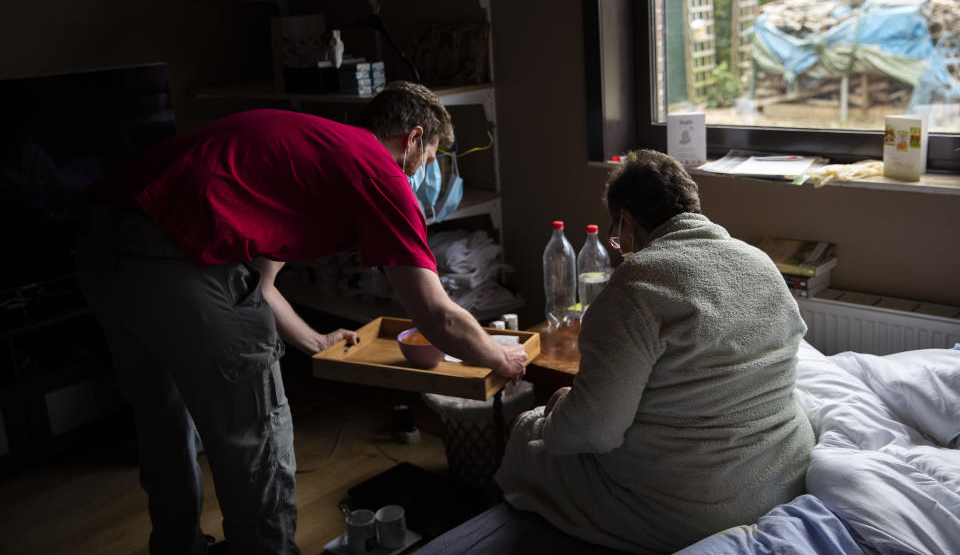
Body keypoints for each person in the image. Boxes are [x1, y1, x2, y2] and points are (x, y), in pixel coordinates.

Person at [75, 81, 527, 555]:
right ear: (413, 138)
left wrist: (313, 340)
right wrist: (500, 356)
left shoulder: (319, 153)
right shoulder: (379, 171)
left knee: (164, 423)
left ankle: (177, 546)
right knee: (257, 441)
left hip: (101, 241)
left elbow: (262, 283)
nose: (426, 173)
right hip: (176, 255)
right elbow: (437, 316)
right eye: (430, 159)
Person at [495, 150, 814, 554]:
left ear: (626, 222)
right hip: (783, 474)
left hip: (702, 506)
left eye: (617, 237)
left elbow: (595, 430)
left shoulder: (636, 286)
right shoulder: (759, 263)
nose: (620, 247)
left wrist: (552, 416)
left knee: (527, 438)